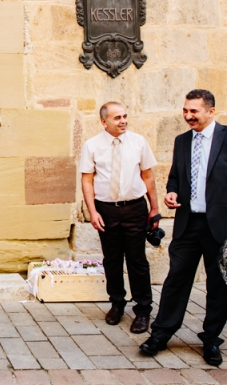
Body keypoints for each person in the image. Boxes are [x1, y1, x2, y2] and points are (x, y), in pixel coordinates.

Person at [140, 89, 227, 366]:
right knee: (176, 280)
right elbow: (176, 176)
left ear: (211, 111)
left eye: (194, 111)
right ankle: (161, 334)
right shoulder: (181, 141)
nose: (188, 116)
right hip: (189, 224)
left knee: (219, 285)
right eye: (185, 111)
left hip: (223, 227)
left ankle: (211, 340)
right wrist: (172, 192)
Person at [80, 102, 160, 334]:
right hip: (107, 209)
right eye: (117, 118)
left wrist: (154, 208)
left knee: (137, 261)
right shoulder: (92, 145)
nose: (123, 121)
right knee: (112, 260)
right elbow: (87, 179)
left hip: (135, 208)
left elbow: (148, 176)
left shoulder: (138, 142)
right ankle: (116, 303)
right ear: (104, 122)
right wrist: (92, 211)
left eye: (125, 116)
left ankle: (143, 310)